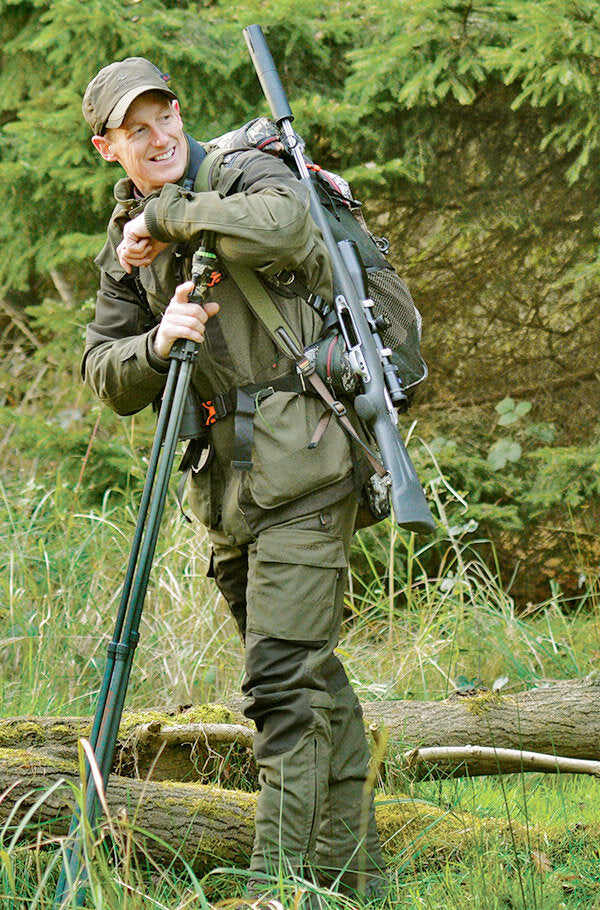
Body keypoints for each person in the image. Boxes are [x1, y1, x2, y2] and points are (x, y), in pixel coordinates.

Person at [81, 56, 386, 900]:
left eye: (164, 116)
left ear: (180, 113)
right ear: (110, 147)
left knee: (280, 684)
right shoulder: (127, 246)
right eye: (135, 130)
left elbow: (289, 225)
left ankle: (277, 885)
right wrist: (157, 341)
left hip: (310, 463)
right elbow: (102, 370)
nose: (159, 136)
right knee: (310, 676)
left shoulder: (241, 167)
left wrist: (171, 216)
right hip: (229, 491)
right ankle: (348, 875)